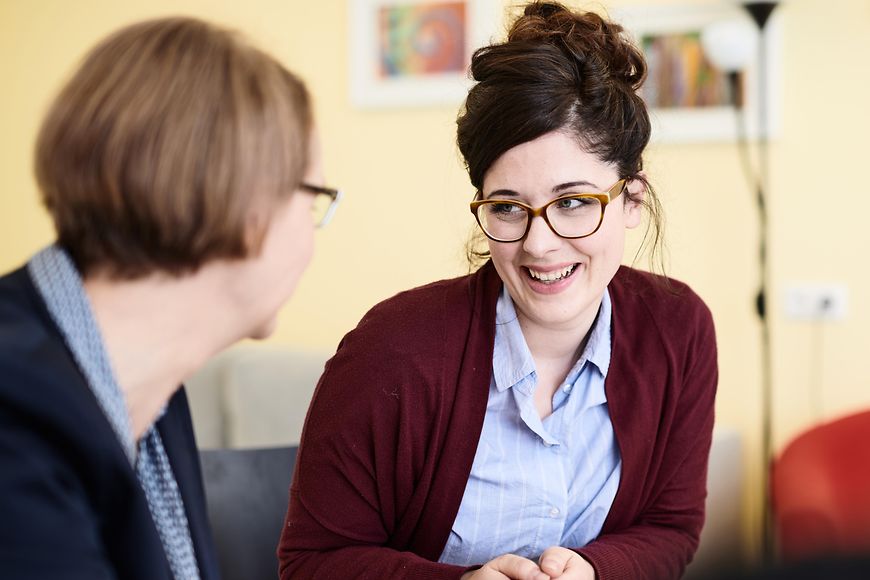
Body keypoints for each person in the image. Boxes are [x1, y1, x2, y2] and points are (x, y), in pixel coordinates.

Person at [278, 2, 716, 579]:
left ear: (632, 198)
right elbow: (312, 563)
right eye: (509, 208)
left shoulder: (679, 329)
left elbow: (670, 526)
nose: (539, 245)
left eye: (573, 202)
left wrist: (594, 571)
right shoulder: (391, 351)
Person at [0, 16, 340, 580]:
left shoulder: (154, 400)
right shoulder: (16, 423)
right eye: (312, 199)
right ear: (245, 204)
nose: (312, 233)